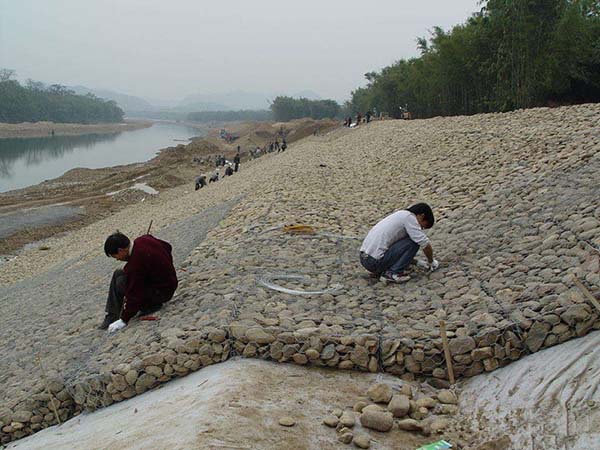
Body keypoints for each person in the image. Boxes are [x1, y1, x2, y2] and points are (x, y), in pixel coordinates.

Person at [100, 232, 178, 332]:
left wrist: (124, 319)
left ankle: (150, 306)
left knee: (121, 281)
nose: (117, 259)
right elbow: (167, 247)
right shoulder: (144, 239)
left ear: (121, 250)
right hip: (170, 284)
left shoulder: (135, 263)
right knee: (118, 273)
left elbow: (134, 294)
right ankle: (112, 314)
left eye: (116, 256)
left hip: (161, 293)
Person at [359, 203, 438, 284]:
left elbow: (397, 251)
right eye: (423, 226)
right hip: (374, 262)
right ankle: (393, 273)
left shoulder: (401, 215)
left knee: (411, 238)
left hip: (365, 259)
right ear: (422, 216)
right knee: (414, 241)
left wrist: (417, 263)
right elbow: (424, 243)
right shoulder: (409, 218)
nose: (420, 228)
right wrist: (431, 261)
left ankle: (382, 270)